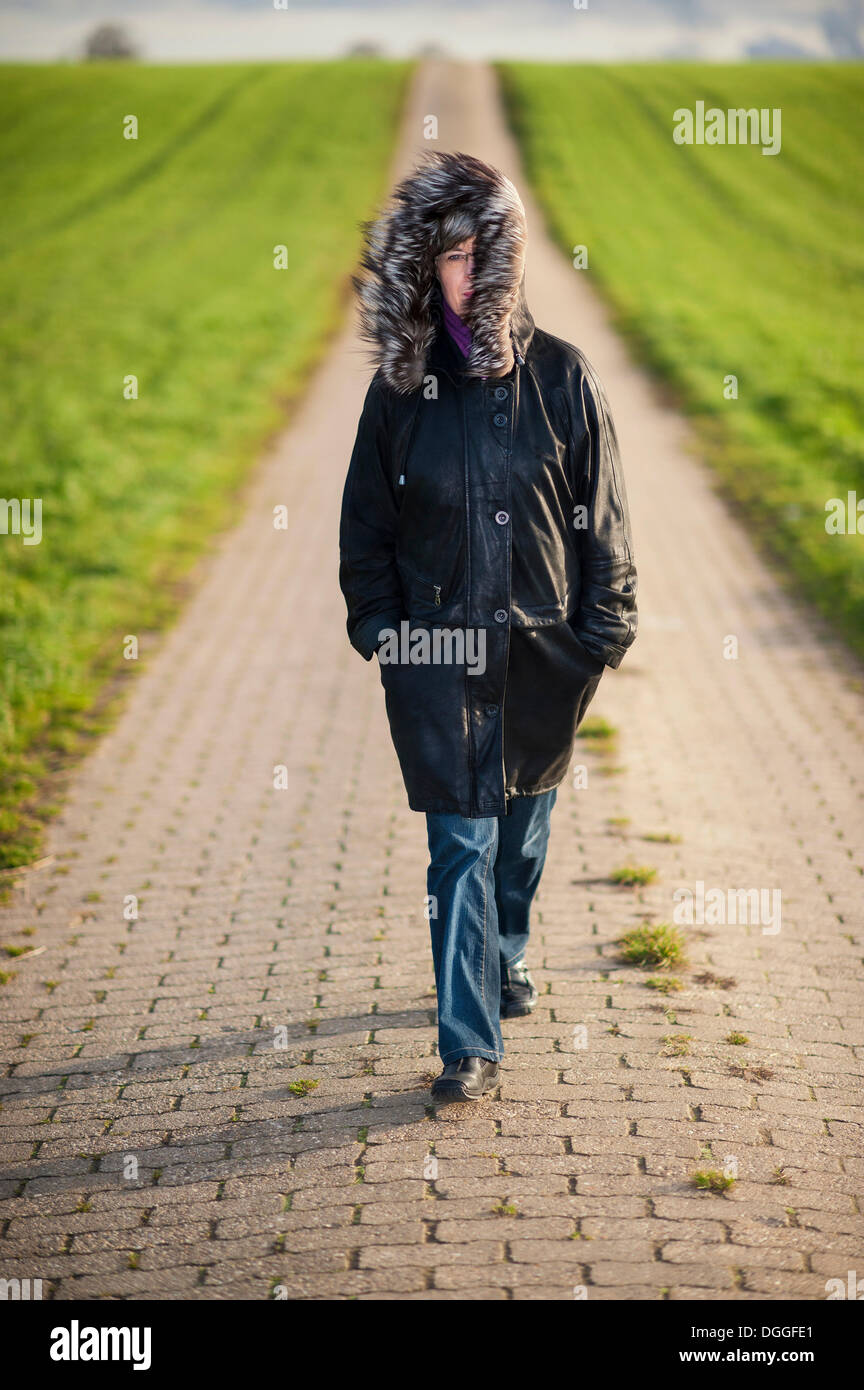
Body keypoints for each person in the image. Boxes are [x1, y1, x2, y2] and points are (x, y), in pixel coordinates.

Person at [339, 151, 637, 1102]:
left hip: (546, 654)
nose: (459, 275)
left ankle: (507, 950)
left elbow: (605, 512)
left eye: (475, 254)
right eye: (444, 256)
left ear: (505, 258)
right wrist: (384, 632)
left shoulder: (563, 379)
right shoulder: (399, 393)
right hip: (437, 656)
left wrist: (603, 632)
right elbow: (366, 526)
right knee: (458, 845)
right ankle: (467, 1045)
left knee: (520, 837)